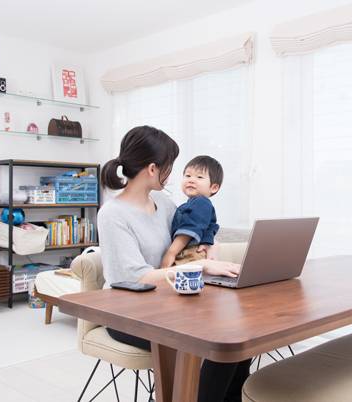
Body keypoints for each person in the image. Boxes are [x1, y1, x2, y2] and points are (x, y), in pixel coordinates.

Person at [97, 125, 250, 402]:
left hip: (168, 302)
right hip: (127, 314)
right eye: (171, 167)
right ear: (153, 169)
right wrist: (200, 267)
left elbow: (192, 231)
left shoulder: (163, 203)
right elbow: (136, 278)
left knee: (240, 332)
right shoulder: (113, 215)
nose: (174, 175)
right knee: (219, 340)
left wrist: (209, 245)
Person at [161, 155, 223, 268]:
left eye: (199, 177)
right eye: (188, 175)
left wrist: (171, 253)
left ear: (213, 188)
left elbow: (188, 231)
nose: (191, 180)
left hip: (191, 253)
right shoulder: (193, 204)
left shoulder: (201, 203)